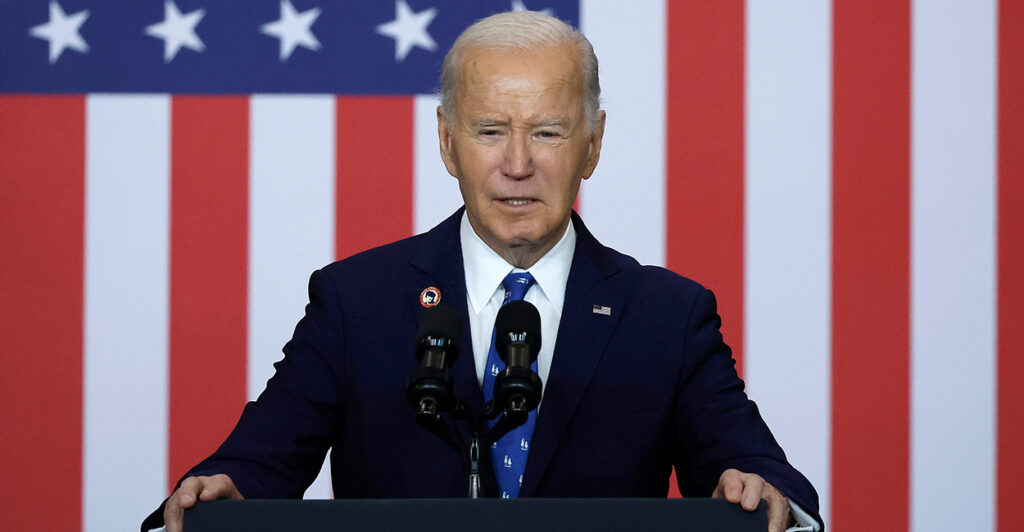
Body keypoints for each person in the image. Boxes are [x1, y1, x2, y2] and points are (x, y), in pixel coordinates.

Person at [146, 11, 821, 532]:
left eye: (549, 132)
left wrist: (765, 492)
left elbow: (760, 474)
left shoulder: (666, 315)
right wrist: (220, 494)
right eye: (491, 130)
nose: (518, 163)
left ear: (593, 143)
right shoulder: (358, 303)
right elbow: (253, 467)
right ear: (447, 141)